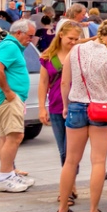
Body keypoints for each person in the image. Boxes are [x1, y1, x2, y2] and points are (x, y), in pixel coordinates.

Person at [57, 20, 107, 212]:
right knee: (98, 160)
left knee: (70, 161)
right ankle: (93, 210)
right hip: (102, 109)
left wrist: (66, 105)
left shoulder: (75, 51)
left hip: (76, 105)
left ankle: (62, 208)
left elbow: (65, 81)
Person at [0, 19, 36, 193]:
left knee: (6, 138)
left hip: (5, 99)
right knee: (15, 137)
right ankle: (5, 177)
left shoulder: (8, 46)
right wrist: (8, 92)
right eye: (29, 36)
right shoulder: (10, 46)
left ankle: (7, 174)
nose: (31, 39)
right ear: (18, 33)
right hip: (8, 100)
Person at [39, 22, 83, 169]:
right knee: (63, 150)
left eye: (77, 39)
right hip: (55, 107)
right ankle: (70, 183)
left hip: (77, 107)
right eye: (71, 38)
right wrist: (41, 108)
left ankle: (70, 184)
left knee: (71, 150)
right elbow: (43, 83)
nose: (73, 42)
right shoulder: (48, 56)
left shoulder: (80, 55)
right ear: (61, 35)